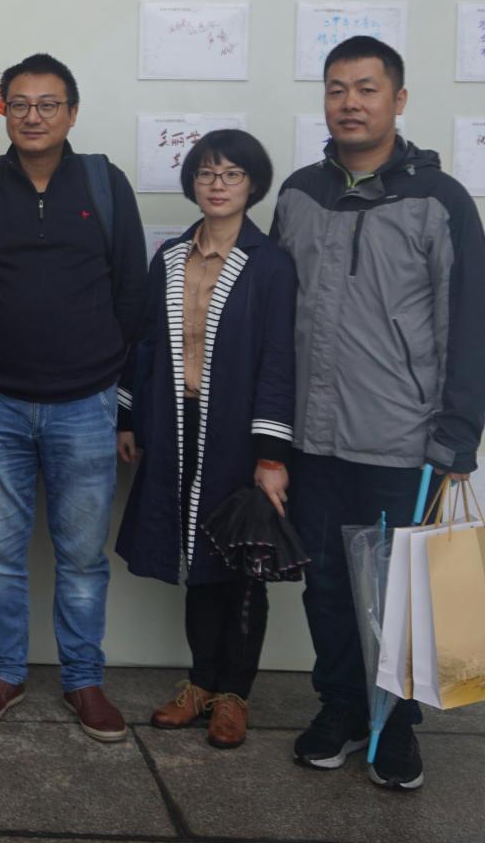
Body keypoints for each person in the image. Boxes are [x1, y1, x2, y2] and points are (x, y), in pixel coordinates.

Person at [274, 36, 485, 792]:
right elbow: (273, 313)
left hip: (400, 438)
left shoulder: (439, 201)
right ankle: (340, 708)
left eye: (366, 89)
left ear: (398, 100)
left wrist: (456, 436)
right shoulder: (299, 193)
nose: (350, 103)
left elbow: (472, 322)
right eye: (336, 89)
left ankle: (396, 725)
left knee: (399, 592)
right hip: (312, 437)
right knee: (327, 585)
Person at [0, 53, 147, 740]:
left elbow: (131, 292)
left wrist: (110, 378)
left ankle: (84, 680)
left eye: (49, 104)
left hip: (86, 404)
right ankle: (3, 672)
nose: (34, 116)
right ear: (4, 112)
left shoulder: (103, 183)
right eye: (21, 104)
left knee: (83, 556)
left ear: (72, 112)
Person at [114, 129, 296, 751]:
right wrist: (129, 419)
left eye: (232, 174)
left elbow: (279, 360)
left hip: (239, 434)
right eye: (207, 173)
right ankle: (199, 684)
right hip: (175, 424)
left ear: (253, 185)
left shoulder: (271, 264)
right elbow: (143, 344)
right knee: (195, 558)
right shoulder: (169, 257)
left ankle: (233, 694)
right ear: (193, 182)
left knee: (240, 563)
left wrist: (271, 456)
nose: (218, 185)